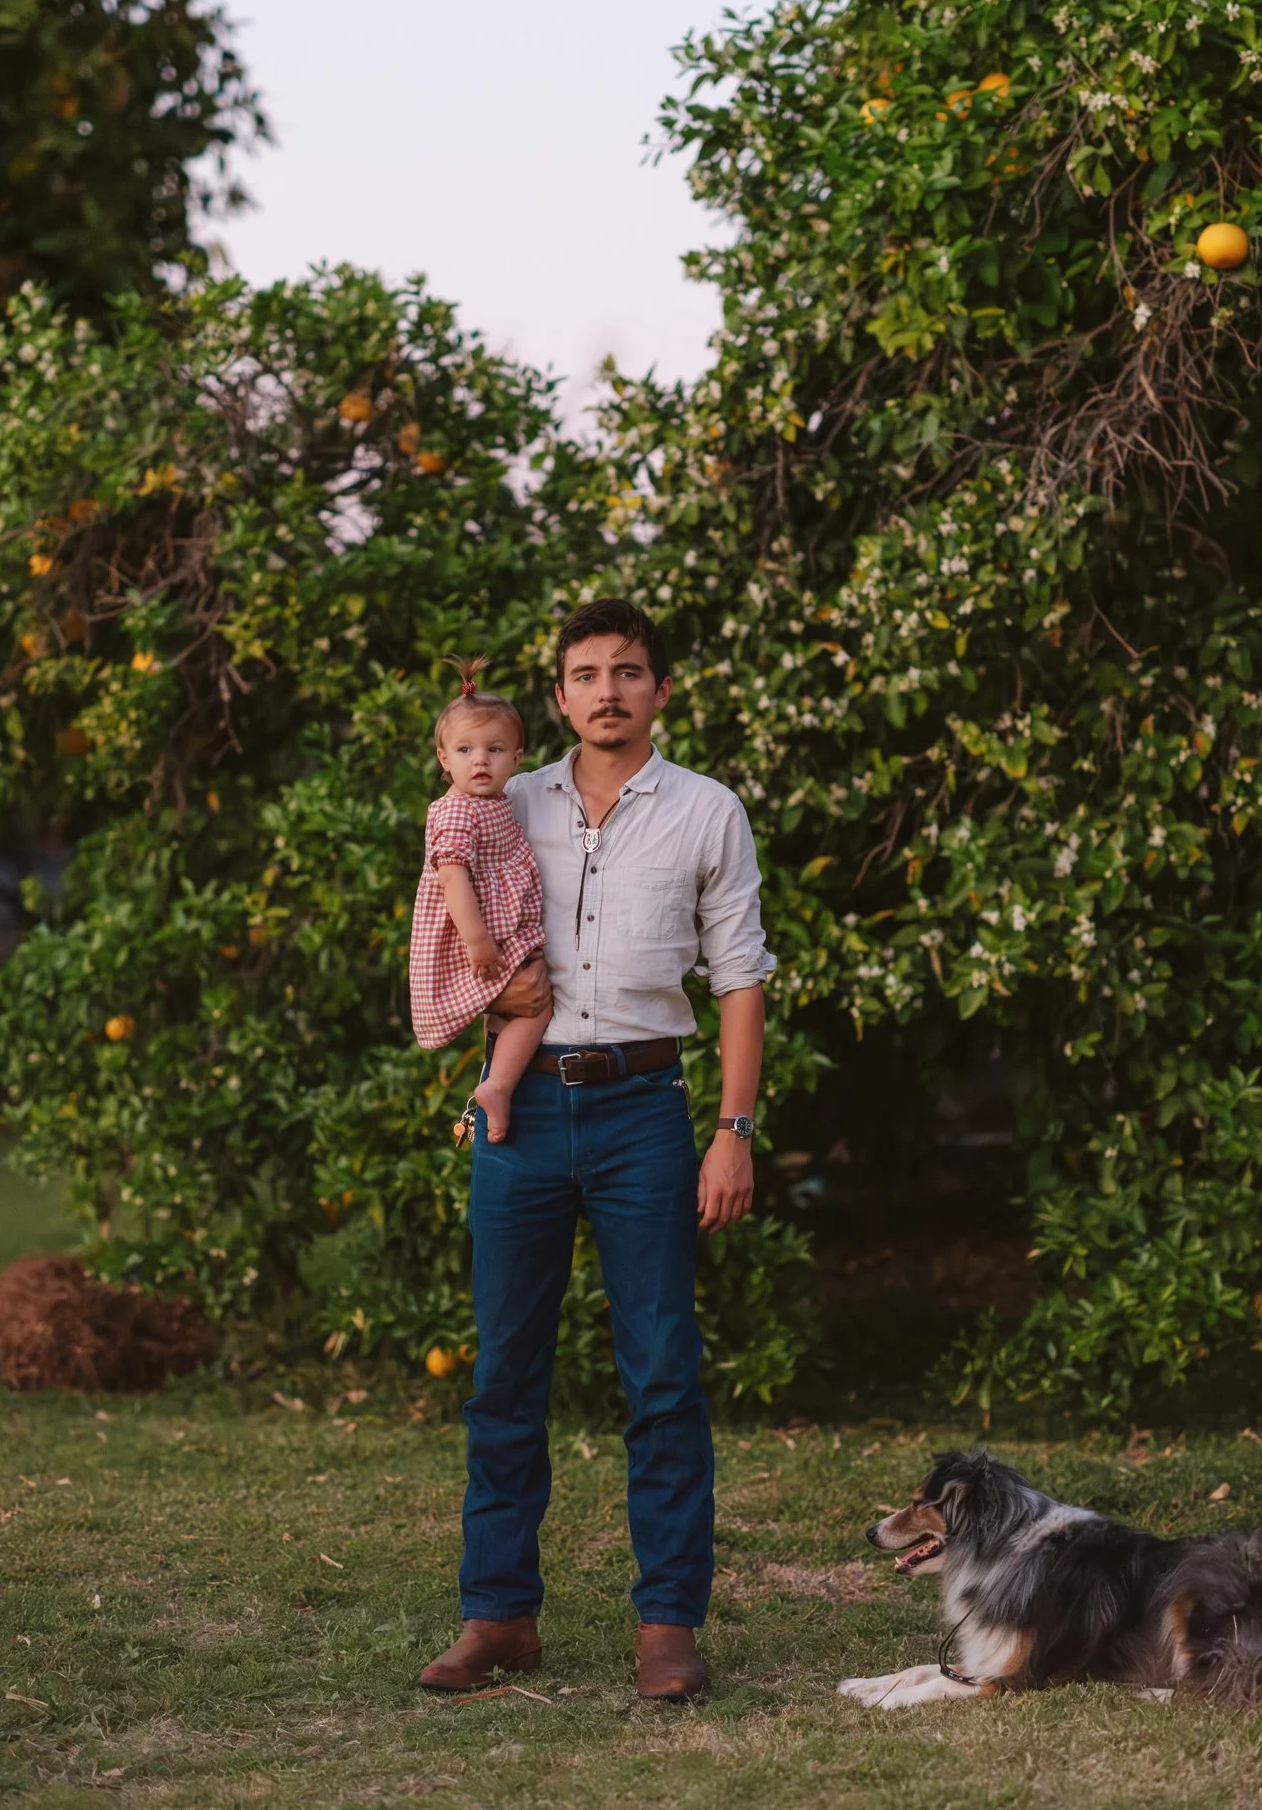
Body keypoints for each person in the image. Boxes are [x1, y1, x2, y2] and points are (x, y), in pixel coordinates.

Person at [415, 598, 771, 1706]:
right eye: (584, 673)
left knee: (662, 1371)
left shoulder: (708, 812)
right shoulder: (501, 796)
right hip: (522, 1118)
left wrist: (733, 1130)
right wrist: (485, 989)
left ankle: (667, 1622)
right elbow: (441, 905)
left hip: (645, 1113)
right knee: (503, 1371)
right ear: (557, 695)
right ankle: (497, 1616)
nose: (606, 690)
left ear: (660, 691)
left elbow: (741, 977)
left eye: (627, 672)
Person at [408, 657, 550, 1141]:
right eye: (465, 749)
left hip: (499, 930)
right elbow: (452, 880)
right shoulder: (455, 812)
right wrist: (478, 942)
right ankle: (499, 1086)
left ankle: (498, 1085)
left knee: (528, 1003)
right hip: (478, 935)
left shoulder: (497, 804)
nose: (481, 760)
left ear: (517, 756)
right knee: (537, 1004)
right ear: (444, 759)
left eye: (495, 748)